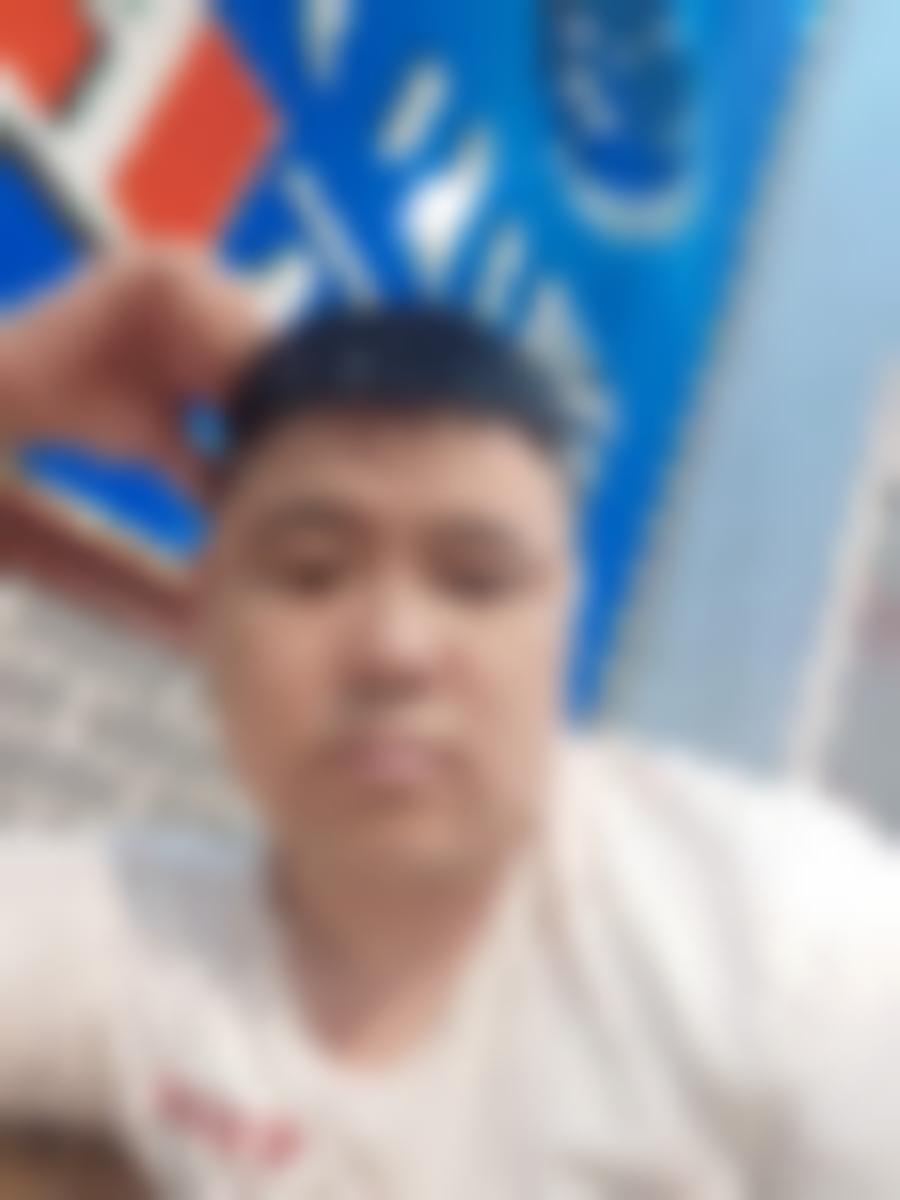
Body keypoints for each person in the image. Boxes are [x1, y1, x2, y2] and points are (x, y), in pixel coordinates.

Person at [1, 249, 899, 1200]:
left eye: (476, 582)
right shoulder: (149, 945)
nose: (395, 648)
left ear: (563, 622)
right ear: (211, 617)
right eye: (311, 574)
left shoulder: (785, 937)